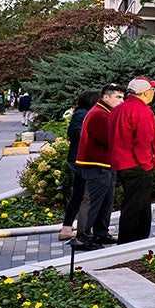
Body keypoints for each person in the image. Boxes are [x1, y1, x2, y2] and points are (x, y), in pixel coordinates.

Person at [111, 76, 155, 243]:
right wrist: (147, 164)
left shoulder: (118, 109)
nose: (154, 93)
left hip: (121, 162)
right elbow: (143, 141)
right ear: (146, 93)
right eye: (153, 90)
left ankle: (134, 240)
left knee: (133, 202)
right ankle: (132, 241)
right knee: (137, 205)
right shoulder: (142, 111)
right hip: (137, 164)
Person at [73, 86, 124, 248]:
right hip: (96, 165)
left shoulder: (105, 113)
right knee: (92, 202)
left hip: (105, 164)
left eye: (122, 97)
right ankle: (83, 237)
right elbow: (109, 140)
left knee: (105, 202)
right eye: (118, 97)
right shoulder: (99, 114)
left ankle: (101, 233)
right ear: (106, 98)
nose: (121, 101)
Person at [58, 90, 98, 241]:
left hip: (77, 158)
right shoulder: (83, 113)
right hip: (80, 159)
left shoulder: (81, 113)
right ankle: (86, 228)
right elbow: (74, 132)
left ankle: (67, 228)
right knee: (87, 194)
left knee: (78, 194)